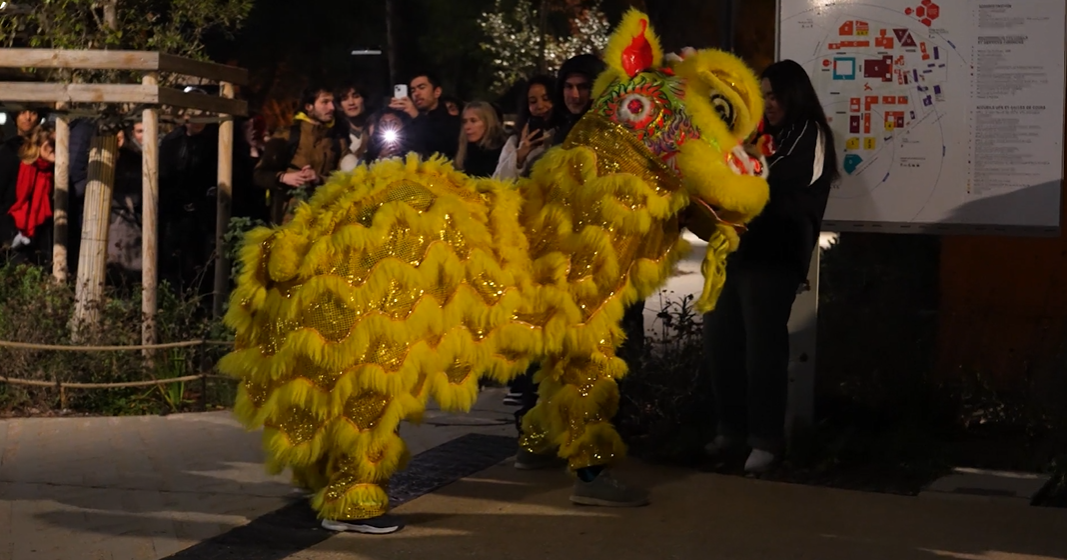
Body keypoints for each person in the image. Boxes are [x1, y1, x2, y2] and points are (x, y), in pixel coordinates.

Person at [703, 59, 839, 474]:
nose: (769, 103)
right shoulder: (761, 136)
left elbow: (766, 182)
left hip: (775, 258)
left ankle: (765, 441)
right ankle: (730, 431)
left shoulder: (808, 134)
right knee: (721, 341)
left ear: (794, 95)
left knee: (763, 351)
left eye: (775, 95)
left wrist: (734, 169)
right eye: (762, 95)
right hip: (738, 256)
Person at [493, 75, 557, 181]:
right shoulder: (514, 141)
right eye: (533, 101)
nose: (540, 106)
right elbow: (496, 184)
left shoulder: (566, 136)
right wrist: (519, 156)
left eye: (546, 99)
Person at [454, 101, 506, 177]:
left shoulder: (503, 151)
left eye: (473, 121)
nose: (467, 127)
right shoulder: (465, 149)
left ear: (488, 122)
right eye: (464, 122)